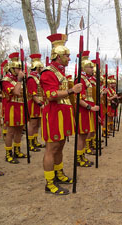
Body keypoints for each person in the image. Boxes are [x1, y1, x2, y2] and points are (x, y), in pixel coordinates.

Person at [40, 33, 82, 195]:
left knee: (61, 145)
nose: (69, 59)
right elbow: (50, 95)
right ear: (58, 56)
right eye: (66, 55)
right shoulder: (48, 72)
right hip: (54, 113)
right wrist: (71, 90)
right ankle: (49, 182)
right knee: (52, 147)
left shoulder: (60, 72)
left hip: (63, 112)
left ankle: (58, 173)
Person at [74, 51, 99, 167]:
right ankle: (79, 158)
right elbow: (78, 99)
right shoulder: (80, 79)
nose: (92, 68)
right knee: (82, 135)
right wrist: (90, 107)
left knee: (84, 135)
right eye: (90, 66)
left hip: (88, 111)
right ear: (84, 67)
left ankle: (82, 155)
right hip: (83, 110)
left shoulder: (87, 79)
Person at [1, 52, 27, 164]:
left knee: (19, 130)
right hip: (11, 107)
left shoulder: (18, 79)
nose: (19, 70)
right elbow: (16, 92)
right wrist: (20, 80)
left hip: (21, 106)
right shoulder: (6, 80)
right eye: (17, 68)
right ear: (12, 69)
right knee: (11, 132)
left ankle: (17, 150)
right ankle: (8, 154)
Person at [27, 54, 45, 152]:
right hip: (34, 104)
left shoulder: (38, 77)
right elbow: (33, 94)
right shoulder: (31, 78)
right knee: (33, 124)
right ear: (37, 68)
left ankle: (35, 141)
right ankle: (30, 143)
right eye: (41, 67)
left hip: (39, 102)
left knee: (37, 124)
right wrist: (40, 104)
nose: (42, 68)